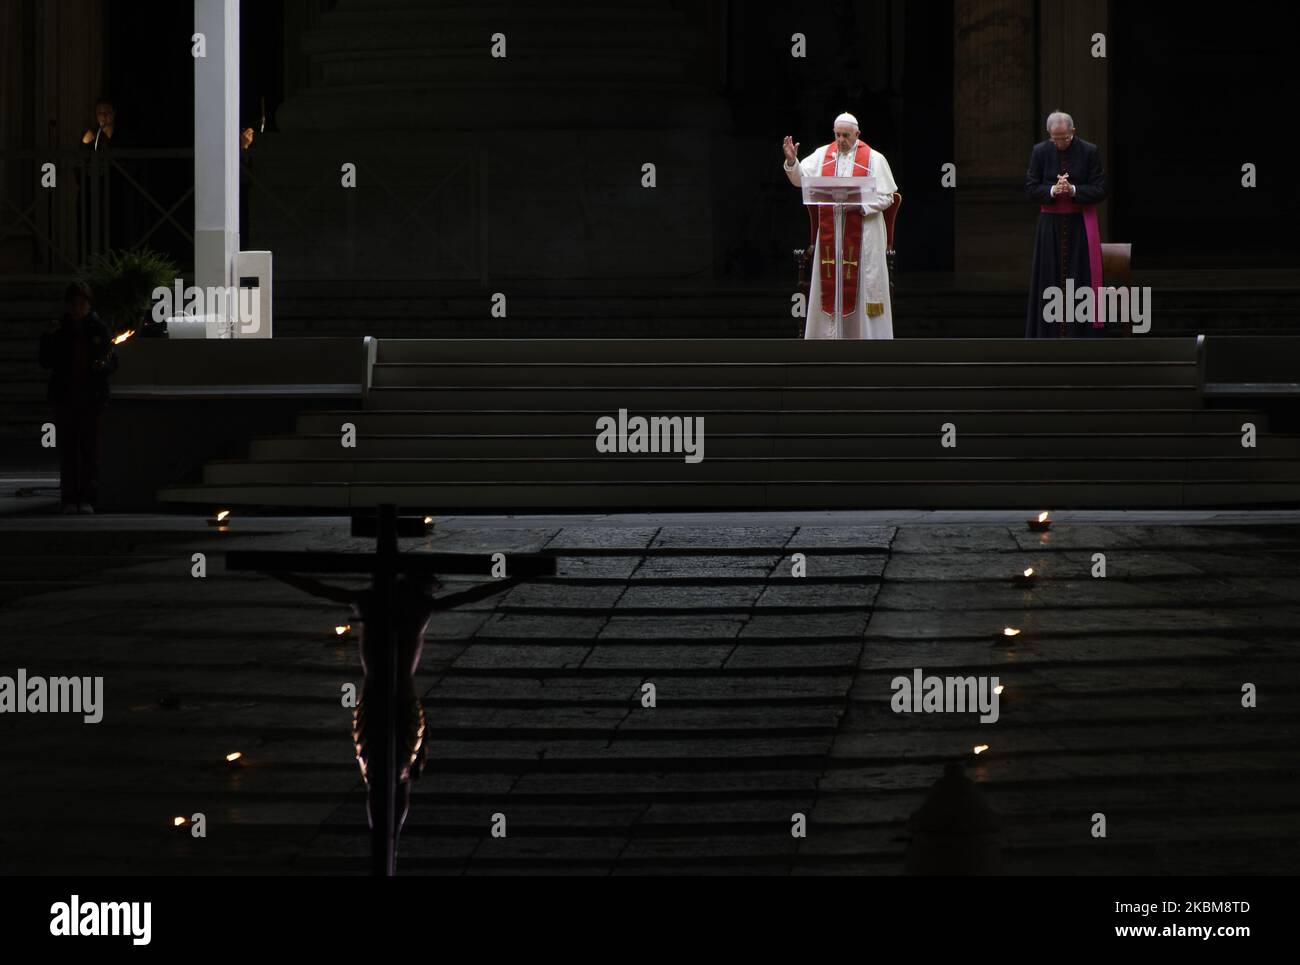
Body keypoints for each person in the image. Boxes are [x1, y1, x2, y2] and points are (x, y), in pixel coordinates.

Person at [783, 112, 898, 339]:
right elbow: (800, 180)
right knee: (831, 287)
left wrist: (861, 206)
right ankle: (829, 340)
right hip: (832, 237)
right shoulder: (823, 155)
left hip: (863, 236)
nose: (842, 140)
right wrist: (791, 161)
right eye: (838, 135)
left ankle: (863, 341)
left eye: (846, 135)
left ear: (857, 134)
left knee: (861, 287)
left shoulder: (875, 159)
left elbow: (888, 197)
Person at [1024, 111, 1107, 338]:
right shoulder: (1039, 151)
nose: (1060, 143)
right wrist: (1052, 190)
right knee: (1048, 278)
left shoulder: (1089, 151)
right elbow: (1031, 188)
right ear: (1049, 134)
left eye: (1064, 138)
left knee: (1079, 279)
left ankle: (1080, 334)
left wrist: (1073, 190)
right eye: (1055, 139)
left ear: (1073, 131)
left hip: (1080, 226)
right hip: (1049, 227)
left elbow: (1101, 189)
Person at [38, 283, 118, 514]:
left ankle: (88, 498)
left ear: (88, 305)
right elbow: (45, 361)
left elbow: (112, 361)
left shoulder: (99, 329)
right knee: (68, 451)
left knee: (89, 451)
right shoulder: (59, 329)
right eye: (74, 304)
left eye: (82, 304)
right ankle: (69, 498)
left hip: (91, 397)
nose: (77, 308)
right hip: (66, 396)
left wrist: (101, 366)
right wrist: (47, 339)